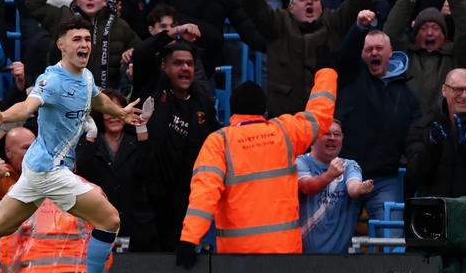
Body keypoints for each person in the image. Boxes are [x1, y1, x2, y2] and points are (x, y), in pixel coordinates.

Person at [0, 17, 142, 273]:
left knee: (0, 226)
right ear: (61, 45)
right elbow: (28, 105)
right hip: (49, 169)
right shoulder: (52, 80)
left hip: (39, 168)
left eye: (88, 39)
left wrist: (121, 113)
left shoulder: (86, 77)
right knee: (109, 220)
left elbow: (97, 99)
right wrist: (4, 117)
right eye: (77, 39)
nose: (84, 44)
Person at [177, 68, 337, 267]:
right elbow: (320, 115)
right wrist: (327, 72)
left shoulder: (219, 142)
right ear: (264, 110)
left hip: (236, 258)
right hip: (284, 254)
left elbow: (204, 193)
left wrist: (190, 239)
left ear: (232, 110)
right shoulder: (285, 132)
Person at [242, 0, 375, 116]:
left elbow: (357, 1)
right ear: (290, 7)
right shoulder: (277, 23)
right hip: (285, 122)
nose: (310, 1)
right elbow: (256, 7)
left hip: (324, 122)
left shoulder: (333, 21)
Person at [132, 41, 222, 251]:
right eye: (178, 63)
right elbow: (142, 54)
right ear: (165, 67)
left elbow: (215, 137)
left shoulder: (203, 100)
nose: (185, 69)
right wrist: (171, 33)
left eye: (189, 64)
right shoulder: (152, 89)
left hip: (183, 197)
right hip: (148, 196)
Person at [335, 15, 421, 224]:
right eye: (368, 49)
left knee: (390, 236)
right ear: (362, 55)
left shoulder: (407, 95)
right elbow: (343, 56)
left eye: (379, 48)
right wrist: (358, 29)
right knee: (333, 239)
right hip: (345, 175)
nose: (374, 52)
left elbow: (416, 136)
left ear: (390, 52)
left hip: (384, 179)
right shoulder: (351, 76)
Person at [382, 0, 466, 113]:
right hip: (410, 126)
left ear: (445, 35)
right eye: (423, 28)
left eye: (435, 28)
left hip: (443, 125)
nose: (429, 33)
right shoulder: (404, 56)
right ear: (415, 34)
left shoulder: (455, 56)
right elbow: (390, 34)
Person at [76, 89, 159, 251]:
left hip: (136, 228)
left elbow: (149, 172)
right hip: (100, 226)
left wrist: (142, 128)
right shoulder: (91, 143)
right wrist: (90, 137)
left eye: (118, 109)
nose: (113, 116)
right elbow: (81, 175)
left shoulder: (136, 141)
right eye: (109, 110)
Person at [26, 0, 140, 90]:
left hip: (107, 96)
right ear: (77, 0)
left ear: (105, 1)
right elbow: (32, 4)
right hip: (66, 92)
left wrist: (131, 52)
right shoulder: (62, 17)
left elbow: (140, 49)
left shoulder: (119, 24)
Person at [405, 68, 466, 198]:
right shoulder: (423, 127)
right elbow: (415, 177)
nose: (464, 95)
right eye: (458, 89)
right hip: (433, 210)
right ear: (444, 90)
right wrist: (432, 148)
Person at [297, 120, 374, 253]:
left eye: (337, 134)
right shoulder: (300, 162)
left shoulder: (350, 165)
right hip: (303, 257)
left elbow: (353, 188)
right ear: (313, 138)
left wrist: (360, 188)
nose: (332, 138)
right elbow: (307, 187)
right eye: (326, 133)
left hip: (339, 260)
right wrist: (329, 175)